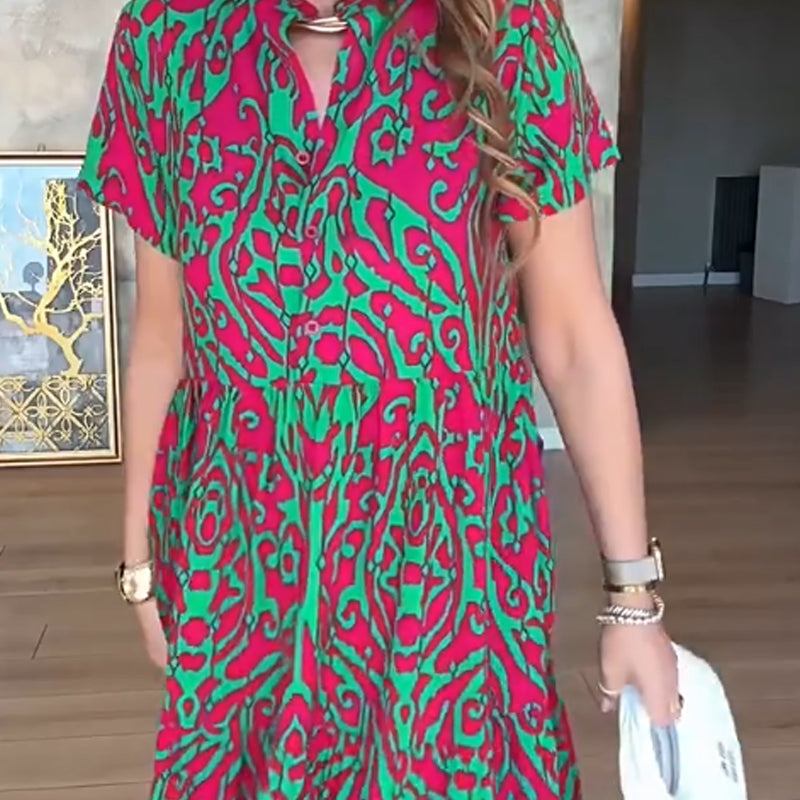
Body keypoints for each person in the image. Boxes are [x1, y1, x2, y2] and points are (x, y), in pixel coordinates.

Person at [79, 0, 680, 797]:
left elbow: (573, 336)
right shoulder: (167, 34)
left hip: (449, 569)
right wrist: (139, 564)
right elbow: (163, 336)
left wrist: (632, 599)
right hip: (244, 567)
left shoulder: (507, 23)